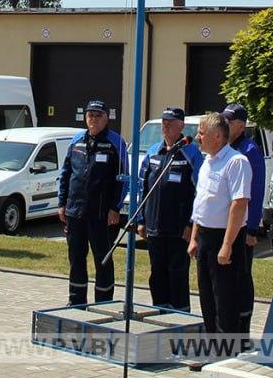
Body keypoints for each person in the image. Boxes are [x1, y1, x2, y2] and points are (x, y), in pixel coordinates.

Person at [188, 112, 251, 356]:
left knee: (225, 299)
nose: (197, 137)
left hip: (225, 238)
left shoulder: (236, 162)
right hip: (204, 236)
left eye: (201, 133)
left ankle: (226, 355)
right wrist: (194, 237)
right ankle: (211, 349)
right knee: (206, 296)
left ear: (216, 136)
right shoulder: (207, 161)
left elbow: (239, 203)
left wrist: (227, 245)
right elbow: (202, 202)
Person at [58, 99, 127, 305]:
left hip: (102, 215)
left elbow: (123, 179)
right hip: (75, 212)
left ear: (106, 119)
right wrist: (62, 203)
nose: (94, 119)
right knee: (76, 259)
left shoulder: (116, 143)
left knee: (103, 260)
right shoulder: (76, 140)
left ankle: (103, 303)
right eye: (90, 115)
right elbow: (65, 174)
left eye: (98, 116)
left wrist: (115, 208)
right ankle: (76, 301)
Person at [136, 107, 202, 312]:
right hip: (154, 227)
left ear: (181, 125)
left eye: (171, 122)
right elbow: (142, 187)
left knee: (177, 274)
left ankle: (180, 318)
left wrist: (191, 225)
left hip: (179, 230)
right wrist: (140, 220)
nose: (166, 126)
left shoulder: (191, 153)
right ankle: (159, 313)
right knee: (157, 274)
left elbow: (200, 193)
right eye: (164, 122)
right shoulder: (153, 152)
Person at [223, 102, 267, 329]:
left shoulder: (249, 150)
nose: (225, 125)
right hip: (226, 223)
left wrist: (251, 229)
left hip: (243, 226)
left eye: (229, 122)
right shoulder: (223, 148)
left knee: (241, 275)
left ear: (241, 125)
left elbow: (257, 190)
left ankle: (243, 324)